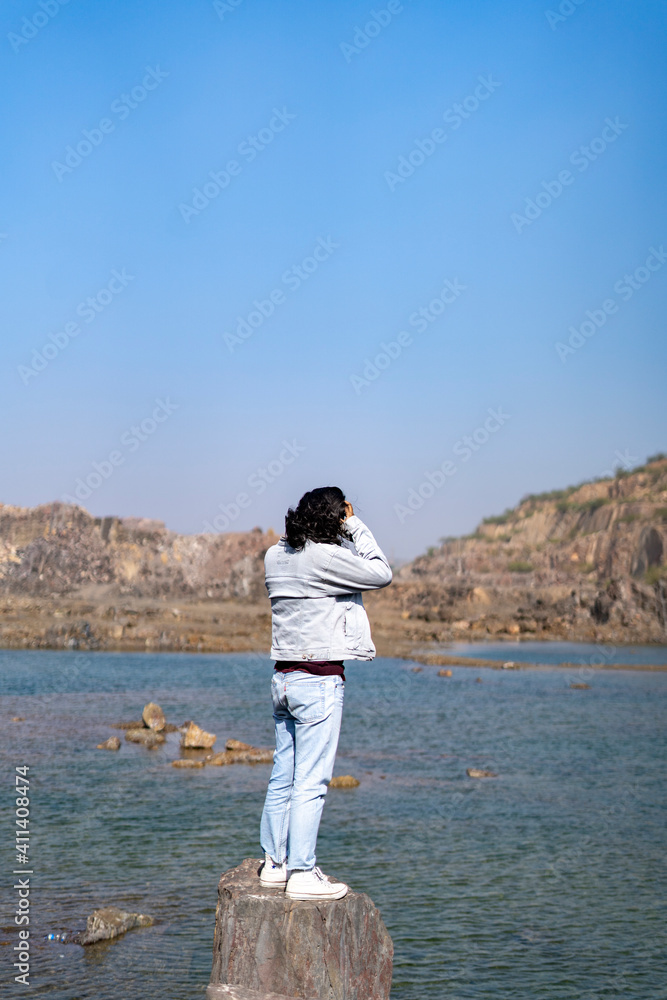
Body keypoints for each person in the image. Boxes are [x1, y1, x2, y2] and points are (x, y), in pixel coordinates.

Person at [259, 486, 392, 900]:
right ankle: (302, 872)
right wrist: (352, 524)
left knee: (283, 775)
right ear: (333, 518)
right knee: (311, 782)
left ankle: (273, 865)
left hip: (282, 680)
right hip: (317, 682)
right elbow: (380, 571)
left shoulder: (273, 556)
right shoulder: (325, 557)